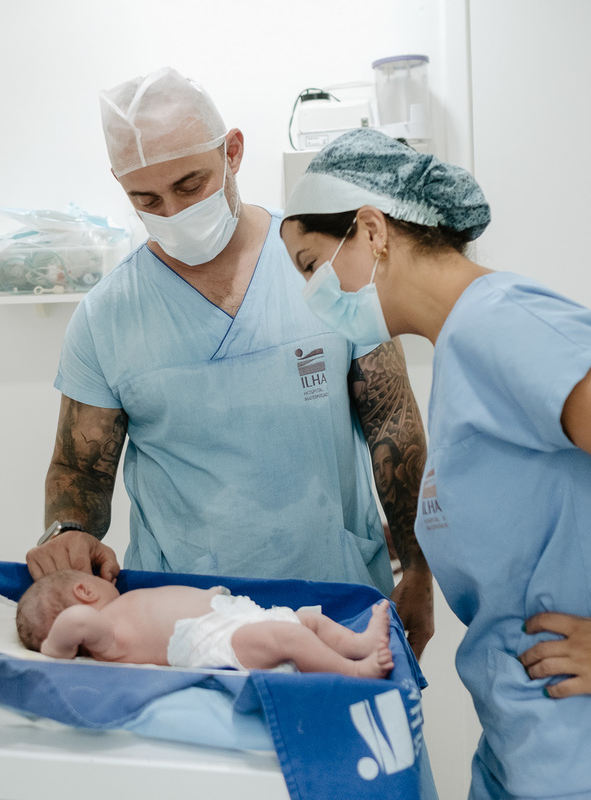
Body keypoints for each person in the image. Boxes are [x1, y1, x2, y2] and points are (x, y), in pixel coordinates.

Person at [280, 127, 591, 799]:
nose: (311, 293)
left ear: (371, 230)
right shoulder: (462, 347)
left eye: (309, 264)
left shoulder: (498, 324)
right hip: (539, 744)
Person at [26, 67, 434, 658]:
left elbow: (393, 425)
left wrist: (419, 569)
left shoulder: (325, 267)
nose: (172, 211)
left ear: (233, 152)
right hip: (182, 628)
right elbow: (79, 469)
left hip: (337, 597)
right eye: (147, 199)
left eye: (190, 185)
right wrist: (67, 532)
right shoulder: (108, 316)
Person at [16, 568, 394, 678]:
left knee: (307, 621)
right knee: (289, 636)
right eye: (97, 580)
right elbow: (75, 621)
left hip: (231, 617)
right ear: (84, 590)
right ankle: (353, 672)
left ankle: (358, 644)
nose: (109, 579)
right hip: (217, 644)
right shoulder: (104, 637)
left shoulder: (120, 611)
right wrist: (54, 648)